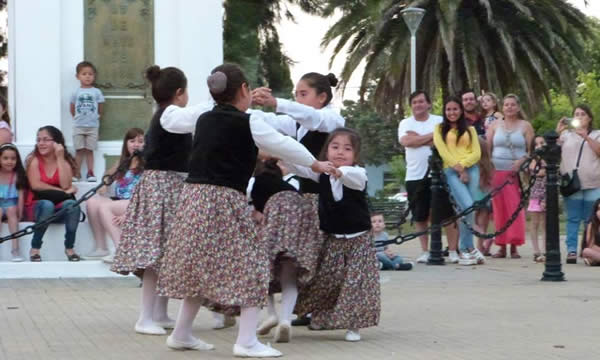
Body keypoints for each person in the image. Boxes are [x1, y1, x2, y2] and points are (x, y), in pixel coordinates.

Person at [157, 63, 331, 357]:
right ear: (244, 90)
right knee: (253, 266)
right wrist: (316, 164)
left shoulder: (202, 117)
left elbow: (170, 121)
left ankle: (182, 333)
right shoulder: (248, 122)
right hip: (224, 201)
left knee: (200, 268)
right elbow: (283, 144)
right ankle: (246, 341)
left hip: (193, 199)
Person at [111, 66, 212, 337]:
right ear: (179, 93)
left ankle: (159, 313)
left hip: (168, 187)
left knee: (165, 254)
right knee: (155, 256)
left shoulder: (165, 114)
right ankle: (145, 317)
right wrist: (218, 98)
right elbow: (195, 116)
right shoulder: (170, 114)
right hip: (163, 188)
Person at [251, 72, 345, 325]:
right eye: (296, 94)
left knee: (329, 258)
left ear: (322, 96)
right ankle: (308, 309)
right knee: (312, 256)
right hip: (309, 198)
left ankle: (322, 311)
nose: (298, 99)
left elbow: (314, 119)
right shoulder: (298, 124)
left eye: (303, 94)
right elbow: (269, 121)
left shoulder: (333, 119)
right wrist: (245, 104)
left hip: (329, 200)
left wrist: (276, 102)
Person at [284, 127, 380, 342]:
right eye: (334, 147)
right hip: (333, 238)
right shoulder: (322, 176)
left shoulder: (358, 173)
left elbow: (352, 177)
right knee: (328, 280)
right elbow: (301, 167)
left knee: (355, 282)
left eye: (347, 149)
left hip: (359, 239)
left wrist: (339, 171)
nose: (340, 152)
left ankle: (353, 326)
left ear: (355, 154)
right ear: (326, 151)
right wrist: (280, 154)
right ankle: (320, 315)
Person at [250, 158, 321, 343]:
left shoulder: (255, 182)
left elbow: (254, 211)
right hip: (298, 221)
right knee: (289, 276)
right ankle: (285, 320)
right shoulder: (288, 186)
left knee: (261, 271)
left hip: (276, 222)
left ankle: (272, 313)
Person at [397, 90, 459, 264]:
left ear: (429, 104)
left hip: (440, 174)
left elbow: (446, 141)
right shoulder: (405, 123)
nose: (418, 105)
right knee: (420, 216)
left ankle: (453, 250)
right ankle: (425, 251)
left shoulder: (439, 120)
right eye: (415, 102)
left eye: (421, 101)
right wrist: (433, 136)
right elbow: (406, 142)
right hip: (414, 176)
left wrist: (418, 138)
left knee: (447, 214)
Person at [433, 97, 485, 265]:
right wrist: (459, 168)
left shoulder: (470, 130)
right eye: (448, 109)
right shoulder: (439, 129)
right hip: (452, 171)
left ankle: (468, 247)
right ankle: (464, 249)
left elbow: (476, 153)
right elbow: (443, 152)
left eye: (455, 109)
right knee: (467, 206)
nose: (452, 112)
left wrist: (464, 165)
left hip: (472, 169)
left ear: (461, 111)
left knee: (470, 209)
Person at [83, 128, 144, 263]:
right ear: (126, 144)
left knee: (105, 208)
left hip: (137, 204)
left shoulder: (147, 165)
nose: (135, 144)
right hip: (120, 202)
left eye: (140, 141)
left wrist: (128, 214)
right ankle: (101, 247)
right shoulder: (123, 162)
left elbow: (148, 194)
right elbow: (107, 175)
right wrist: (105, 183)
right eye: (132, 141)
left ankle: (120, 251)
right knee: (92, 202)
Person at [487, 94, 534, 258]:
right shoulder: (494, 125)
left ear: (518, 107)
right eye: (506, 105)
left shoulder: (525, 126)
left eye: (513, 104)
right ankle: (501, 246)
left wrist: (522, 162)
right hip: (497, 172)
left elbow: (531, 151)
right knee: (499, 210)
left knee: (515, 208)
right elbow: (488, 148)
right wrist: (488, 169)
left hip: (516, 173)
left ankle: (514, 245)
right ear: (502, 107)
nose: (509, 107)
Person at [25, 126, 81, 262]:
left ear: (57, 143)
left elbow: (65, 184)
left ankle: (69, 248)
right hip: (36, 206)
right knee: (47, 205)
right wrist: (63, 192)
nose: (41, 143)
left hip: (58, 207)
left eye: (46, 140)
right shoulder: (34, 160)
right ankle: (35, 248)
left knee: (73, 205)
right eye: (38, 140)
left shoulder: (64, 162)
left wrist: (60, 157)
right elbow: (36, 185)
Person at [556, 105, 600, 264]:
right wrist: (558, 132)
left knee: (591, 220)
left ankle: (589, 250)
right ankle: (572, 250)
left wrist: (586, 137)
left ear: (589, 118)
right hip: (572, 184)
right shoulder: (566, 135)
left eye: (583, 114)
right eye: (576, 114)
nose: (579, 117)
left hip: (593, 183)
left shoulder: (597, 134)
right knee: (573, 218)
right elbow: (552, 151)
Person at [70, 61, 105, 182]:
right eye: (84, 74)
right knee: (79, 150)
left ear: (94, 76)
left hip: (93, 126)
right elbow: (72, 108)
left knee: (90, 150)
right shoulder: (76, 92)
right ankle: (76, 172)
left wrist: (97, 116)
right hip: (78, 125)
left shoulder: (97, 92)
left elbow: (100, 106)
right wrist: (78, 117)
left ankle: (90, 172)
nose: (87, 76)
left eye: (90, 74)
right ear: (78, 76)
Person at [0, 144, 27, 261]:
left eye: (13, 158)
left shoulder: (17, 176)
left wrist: (20, 214)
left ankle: (15, 249)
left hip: (12, 207)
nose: (9, 161)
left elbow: (21, 198)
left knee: (11, 210)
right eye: (5, 158)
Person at [528, 136, 547, 263]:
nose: (539, 145)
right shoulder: (532, 161)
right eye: (536, 144)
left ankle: (545, 250)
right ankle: (536, 251)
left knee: (545, 224)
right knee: (534, 223)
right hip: (534, 195)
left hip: (546, 195)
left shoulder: (549, 161)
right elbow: (530, 173)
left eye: (542, 143)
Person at [475, 138, 494, 256]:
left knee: (471, 220)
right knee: (482, 221)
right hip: (486, 195)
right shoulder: (489, 164)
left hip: (474, 195)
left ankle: (484, 236)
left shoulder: (474, 163)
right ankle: (480, 245)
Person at [582, 199, 600, 266]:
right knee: (586, 251)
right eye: (598, 209)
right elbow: (590, 245)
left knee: (590, 257)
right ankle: (595, 260)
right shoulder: (592, 225)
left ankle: (594, 260)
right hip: (597, 251)